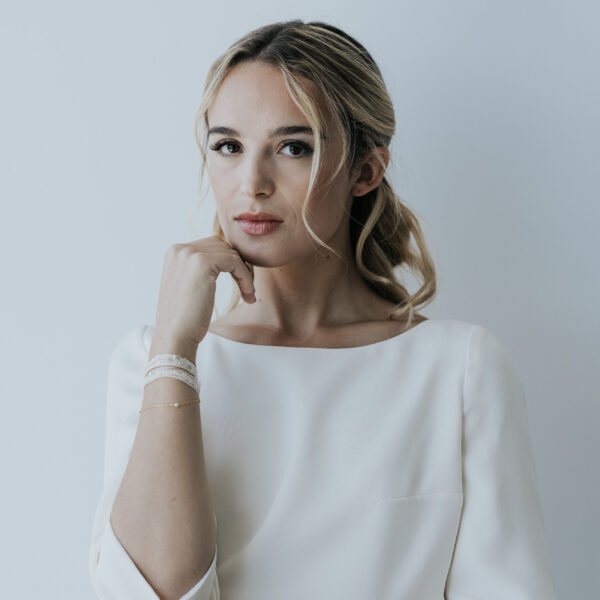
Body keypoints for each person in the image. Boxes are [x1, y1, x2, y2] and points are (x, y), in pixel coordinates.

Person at [89, 19, 557, 600]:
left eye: (293, 147)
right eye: (228, 146)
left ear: (366, 171)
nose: (252, 183)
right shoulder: (149, 359)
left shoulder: (459, 368)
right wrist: (174, 351)